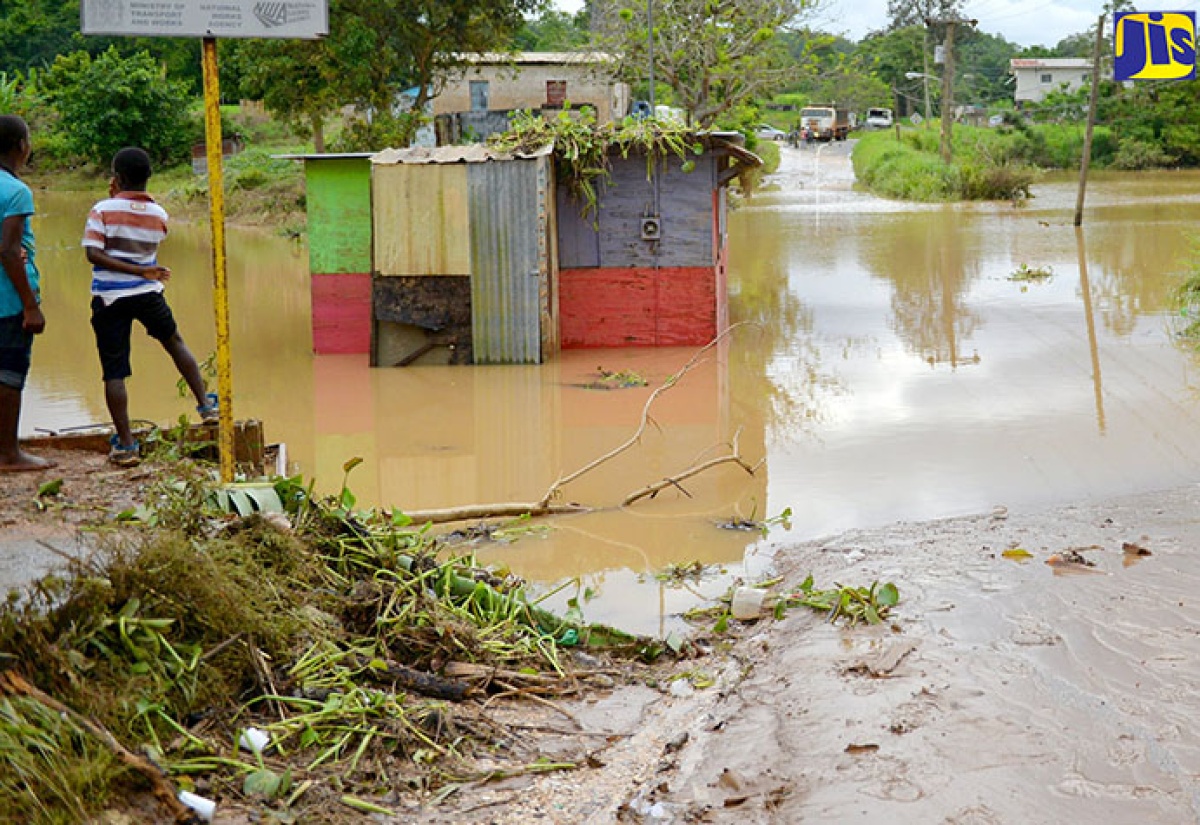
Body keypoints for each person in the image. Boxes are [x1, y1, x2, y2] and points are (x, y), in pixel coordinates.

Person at [83, 147, 217, 467]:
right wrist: (142, 271)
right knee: (174, 342)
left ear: (115, 178)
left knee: (114, 372)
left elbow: (93, 254)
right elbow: (147, 243)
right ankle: (206, 407)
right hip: (147, 293)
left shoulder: (102, 209)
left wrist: (134, 270)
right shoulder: (158, 214)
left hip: (110, 298)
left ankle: (127, 446)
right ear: (148, 178)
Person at [0, 114, 54, 472]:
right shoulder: (16, 191)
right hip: (7, 301)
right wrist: (31, 306)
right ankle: (9, 455)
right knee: (9, 375)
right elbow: (7, 249)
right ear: (22, 146)